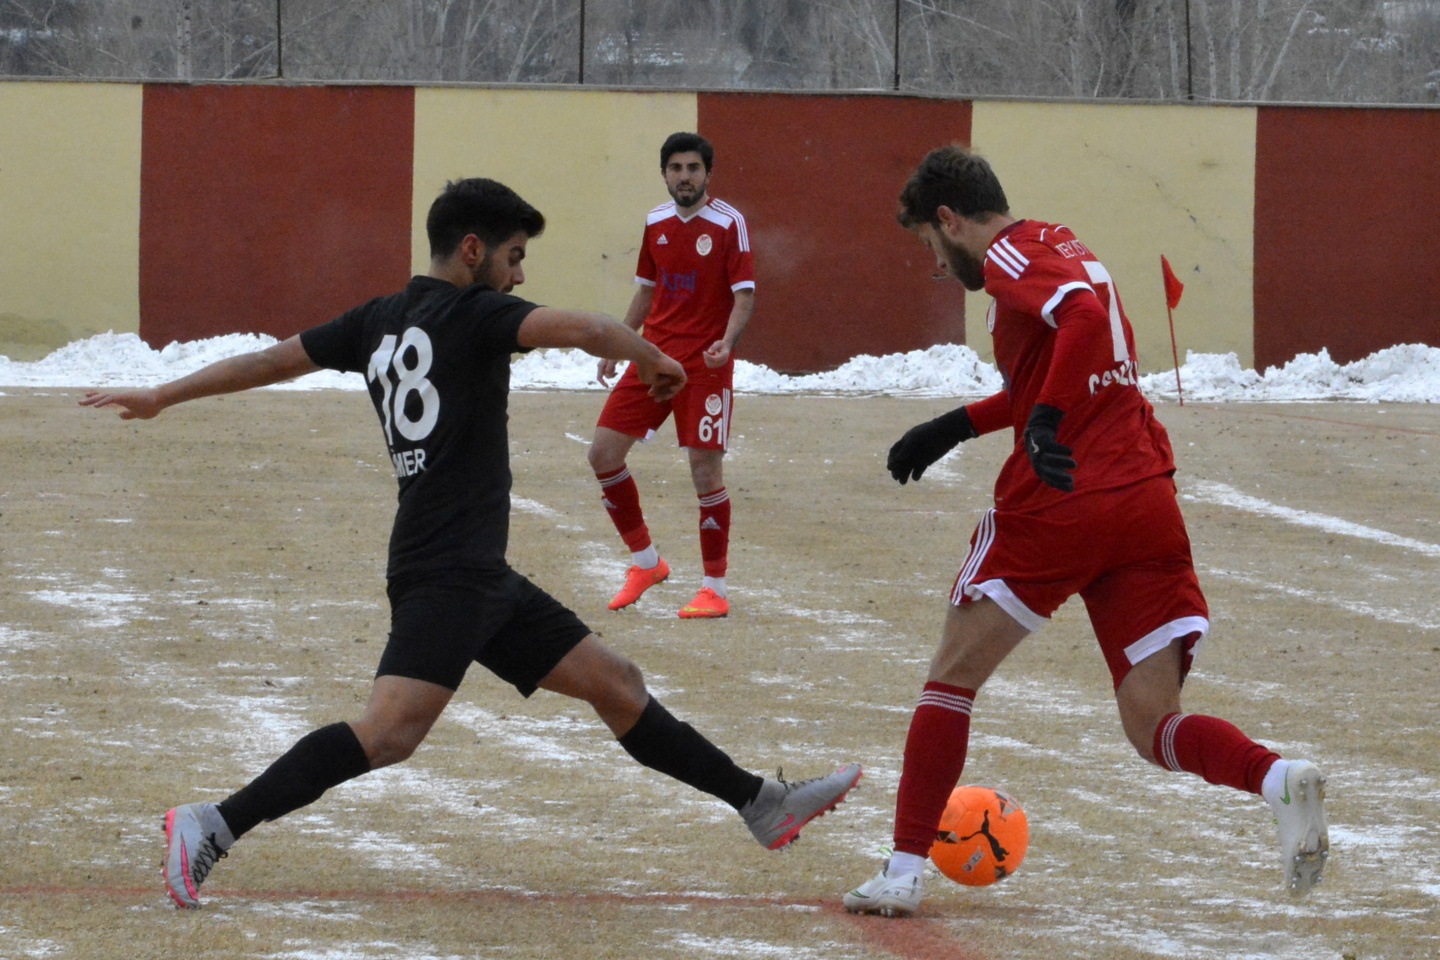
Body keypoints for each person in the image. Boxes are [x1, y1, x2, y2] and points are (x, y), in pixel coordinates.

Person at [81, 177, 860, 910]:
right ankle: (212, 823)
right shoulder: (476, 316)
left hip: (475, 573)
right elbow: (587, 327)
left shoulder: (376, 319)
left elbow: (270, 360)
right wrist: (656, 357)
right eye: (516, 257)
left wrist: (164, 393)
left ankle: (761, 804)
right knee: (388, 733)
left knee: (616, 681)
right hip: (446, 572)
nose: (520, 277)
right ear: (473, 251)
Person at [842, 145, 1329, 917]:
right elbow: (1064, 361)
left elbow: (1081, 319)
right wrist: (954, 426)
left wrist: (1043, 421)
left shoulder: (1005, 254)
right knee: (1153, 724)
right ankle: (1278, 778)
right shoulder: (1061, 244)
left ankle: (901, 870)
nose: (935, 265)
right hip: (1143, 500)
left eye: (930, 246)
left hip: (1060, 503)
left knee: (951, 676)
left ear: (950, 219)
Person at [588, 132, 756, 619]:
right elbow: (646, 292)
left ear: (707, 174)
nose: (685, 176)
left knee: (705, 473)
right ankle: (646, 563)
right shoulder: (656, 222)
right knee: (602, 454)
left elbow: (744, 294)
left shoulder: (730, 224)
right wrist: (618, 342)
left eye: (693, 168)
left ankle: (715, 588)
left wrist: (727, 342)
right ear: (664, 173)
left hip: (705, 367)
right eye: (676, 168)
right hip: (653, 359)